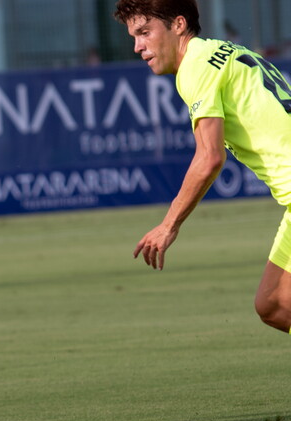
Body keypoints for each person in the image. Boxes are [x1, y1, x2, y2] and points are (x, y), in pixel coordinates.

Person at [114, 0, 291, 333]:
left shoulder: (195, 66)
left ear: (178, 25)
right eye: (133, 36)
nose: (137, 46)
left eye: (144, 32)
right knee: (274, 304)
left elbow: (209, 156)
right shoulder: (221, 50)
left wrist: (169, 225)